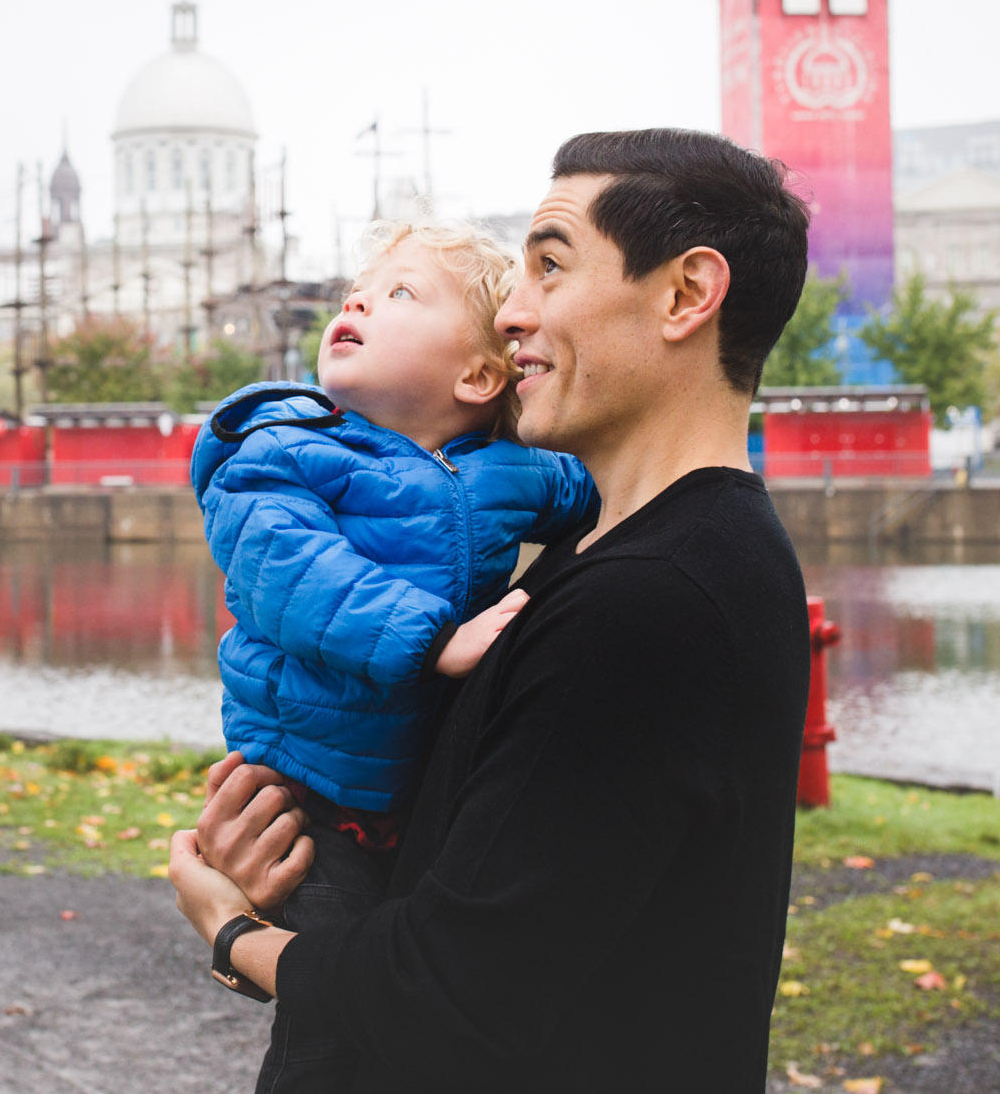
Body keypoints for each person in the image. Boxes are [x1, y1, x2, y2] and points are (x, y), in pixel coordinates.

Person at [170, 127, 815, 1092]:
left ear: (686, 294)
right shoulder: (624, 552)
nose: (511, 312)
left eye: (549, 267)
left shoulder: (652, 601)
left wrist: (232, 928)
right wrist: (302, 838)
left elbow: (450, 993)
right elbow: (506, 868)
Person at [189, 216, 597, 1091]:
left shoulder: (503, 469)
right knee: (328, 1008)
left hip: (416, 790)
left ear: (479, 375)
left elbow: (594, 489)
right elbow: (289, 571)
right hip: (308, 789)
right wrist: (431, 640)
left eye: (402, 293)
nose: (360, 299)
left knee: (424, 991)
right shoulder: (286, 453)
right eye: (357, 292)